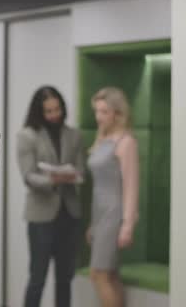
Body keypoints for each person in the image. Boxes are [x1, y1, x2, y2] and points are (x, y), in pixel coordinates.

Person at [17, 86, 85, 307]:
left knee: (65, 278)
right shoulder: (27, 136)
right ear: (39, 112)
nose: (55, 114)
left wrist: (72, 175)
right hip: (41, 217)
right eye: (49, 111)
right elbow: (29, 176)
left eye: (58, 109)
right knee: (38, 278)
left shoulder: (74, 135)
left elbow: (81, 170)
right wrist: (53, 180)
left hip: (69, 215)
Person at [87, 87, 139, 307]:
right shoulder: (102, 140)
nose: (99, 117)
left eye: (104, 112)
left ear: (117, 113)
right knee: (110, 275)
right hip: (100, 215)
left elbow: (131, 186)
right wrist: (92, 224)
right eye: (97, 111)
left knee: (98, 274)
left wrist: (127, 224)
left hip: (113, 214)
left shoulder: (126, 142)